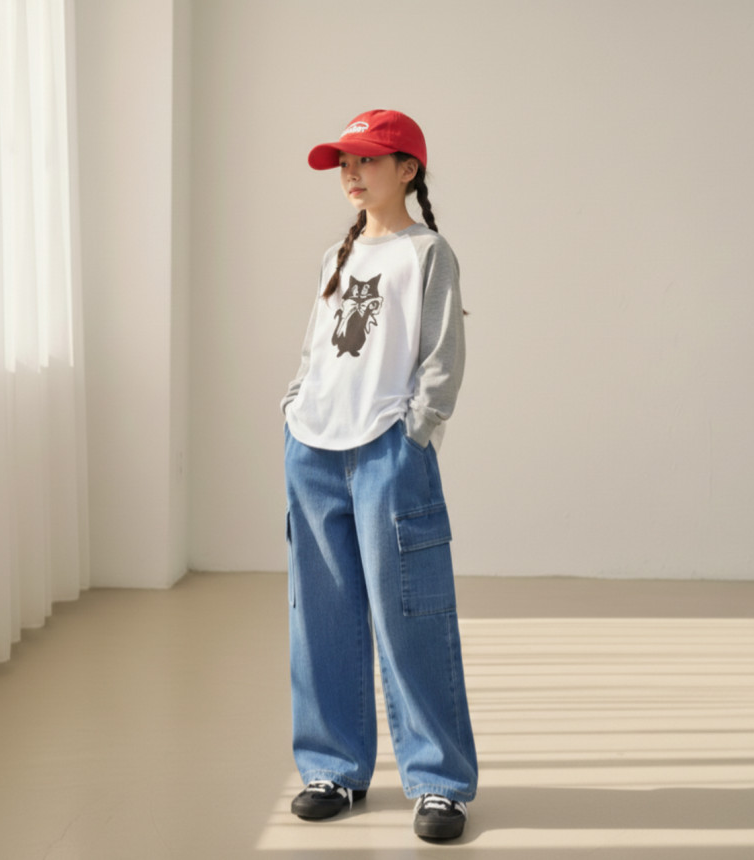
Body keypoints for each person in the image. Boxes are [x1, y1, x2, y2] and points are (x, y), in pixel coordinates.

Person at [280, 109, 478, 841]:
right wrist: (294, 410)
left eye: (367, 159)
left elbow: (441, 356)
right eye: (345, 163)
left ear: (408, 169)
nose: (352, 173)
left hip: (387, 452)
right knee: (321, 617)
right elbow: (316, 351)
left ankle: (440, 783)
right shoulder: (336, 256)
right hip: (313, 450)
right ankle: (333, 767)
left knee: (412, 615)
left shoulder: (428, 253)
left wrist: (415, 431)